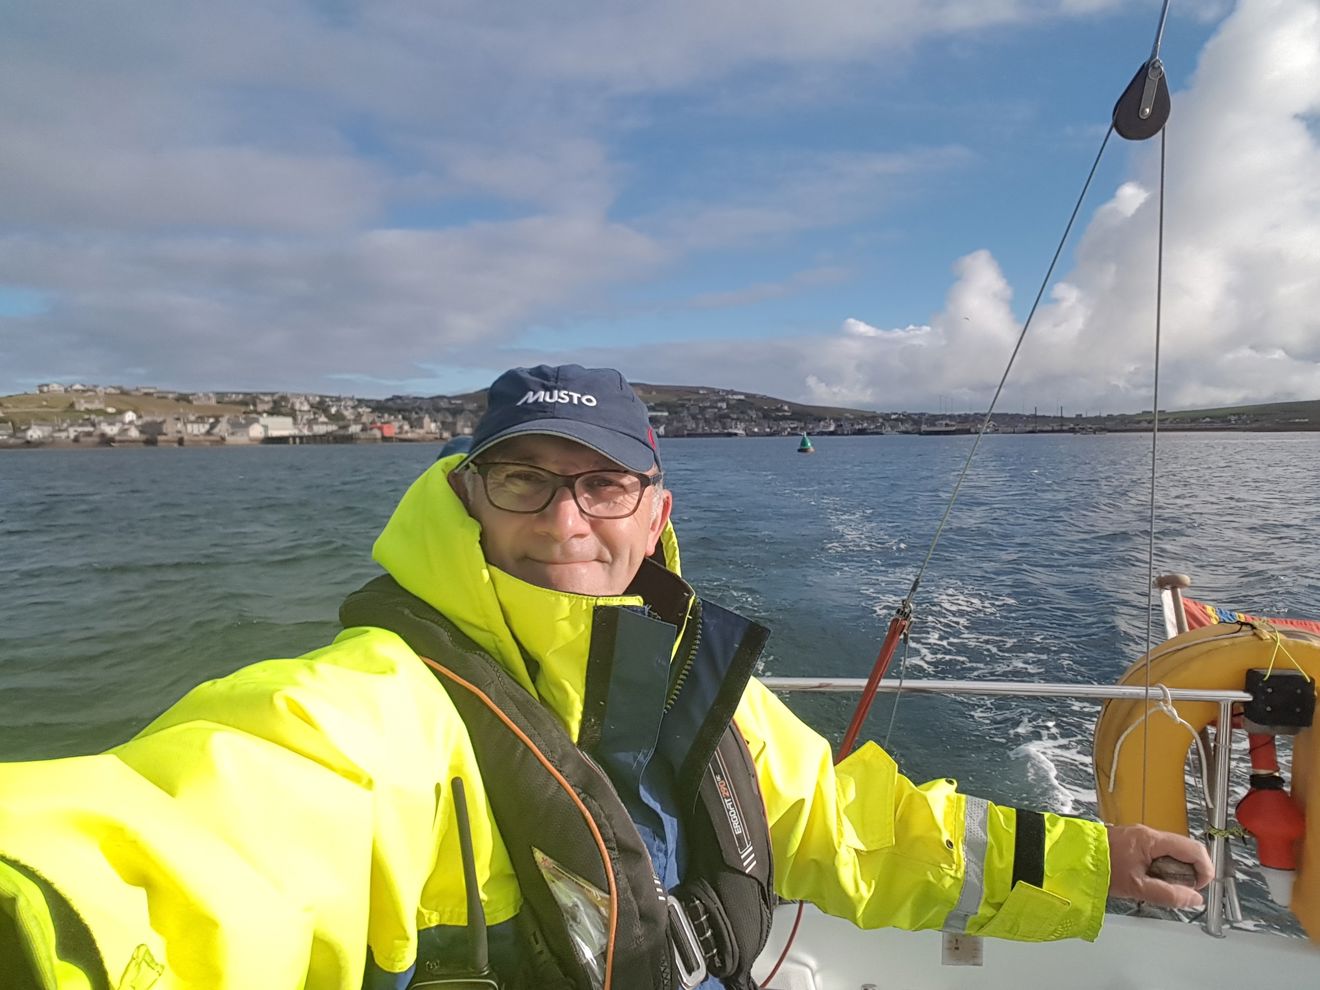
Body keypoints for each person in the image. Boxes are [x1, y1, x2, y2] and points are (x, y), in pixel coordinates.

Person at [0, 364, 1212, 990]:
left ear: (654, 511)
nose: (565, 517)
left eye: (602, 483)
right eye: (523, 478)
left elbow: (858, 826)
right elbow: (202, 837)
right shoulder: (375, 708)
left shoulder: (706, 689)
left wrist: (1095, 862)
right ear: (467, 500)